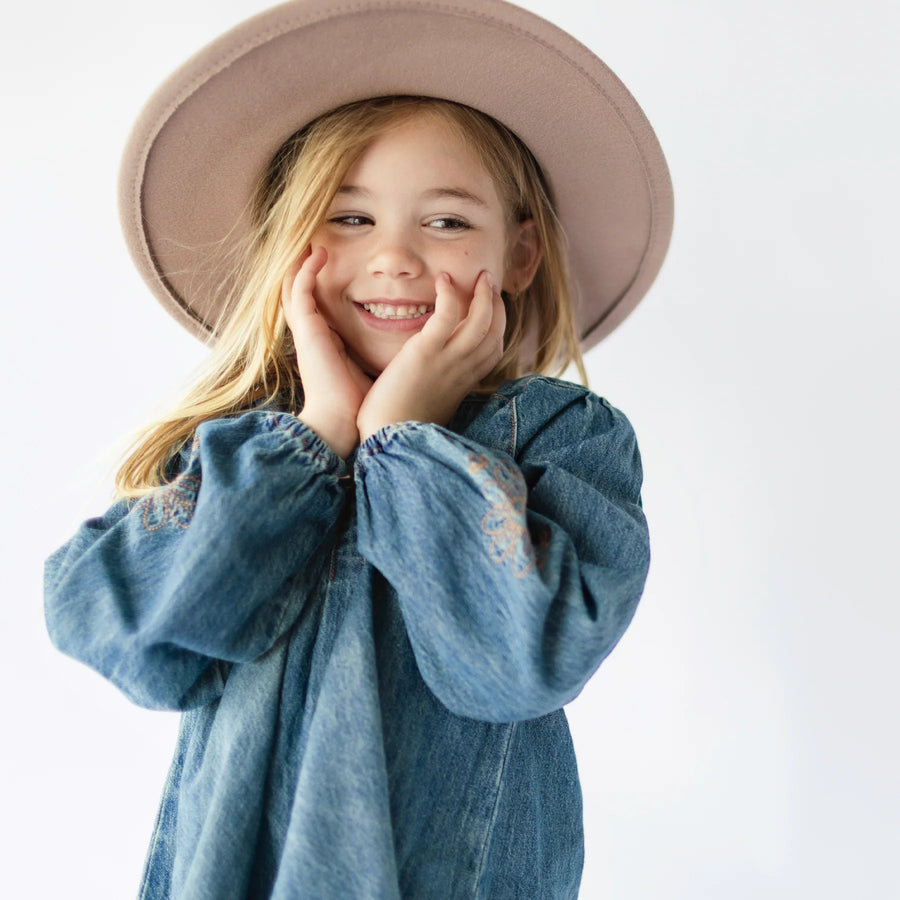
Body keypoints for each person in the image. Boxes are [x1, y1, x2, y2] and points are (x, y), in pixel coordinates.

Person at [44, 0, 673, 897]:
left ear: (522, 252)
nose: (395, 259)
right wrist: (317, 437)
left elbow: (520, 658)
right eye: (349, 218)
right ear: (290, 241)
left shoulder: (563, 438)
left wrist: (403, 441)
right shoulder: (242, 452)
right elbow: (124, 634)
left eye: (447, 222)